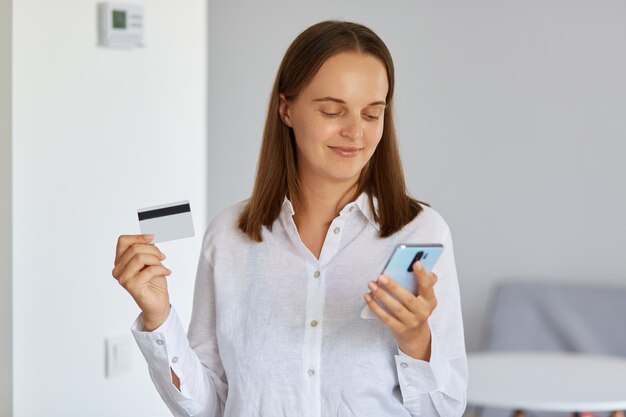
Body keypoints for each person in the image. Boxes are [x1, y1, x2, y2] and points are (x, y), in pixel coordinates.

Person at [112, 20, 467, 417]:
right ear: (286, 109)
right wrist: (158, 317)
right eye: (333, 111)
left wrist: (416, 340)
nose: (355, 132)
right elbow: (210, 406)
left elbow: (444, 410)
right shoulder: (229, 237)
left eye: (372, 114)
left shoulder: (421, 232)